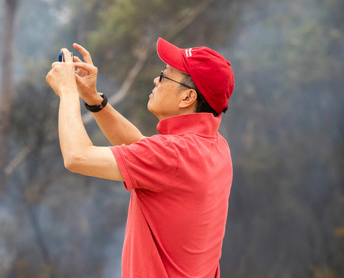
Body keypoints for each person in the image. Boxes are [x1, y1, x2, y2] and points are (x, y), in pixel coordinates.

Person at [45, 37, 235, 278]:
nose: (156, 80)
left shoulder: (171, 154)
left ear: (187, 98)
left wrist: (67, 92)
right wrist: (92, 98)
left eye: (165, 76)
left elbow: (77, 157)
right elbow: (143, 148)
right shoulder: (215, 147)